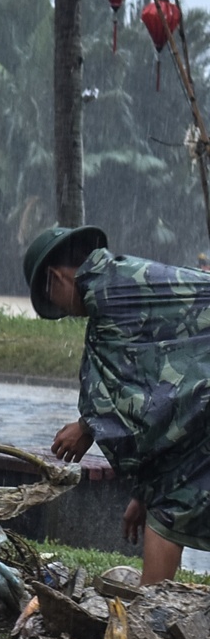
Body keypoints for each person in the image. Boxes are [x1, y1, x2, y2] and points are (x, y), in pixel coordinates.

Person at [37, 224, 210, 584]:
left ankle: (151, 616)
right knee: (169, 503)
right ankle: (155, 613)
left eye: (54, 302)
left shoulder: (111, 292)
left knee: (170, 508)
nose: (66, 313)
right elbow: (158, 386)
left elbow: (139, 387)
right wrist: (144, 492)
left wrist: (86, 426)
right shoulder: (116, 280)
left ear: (55, 278)